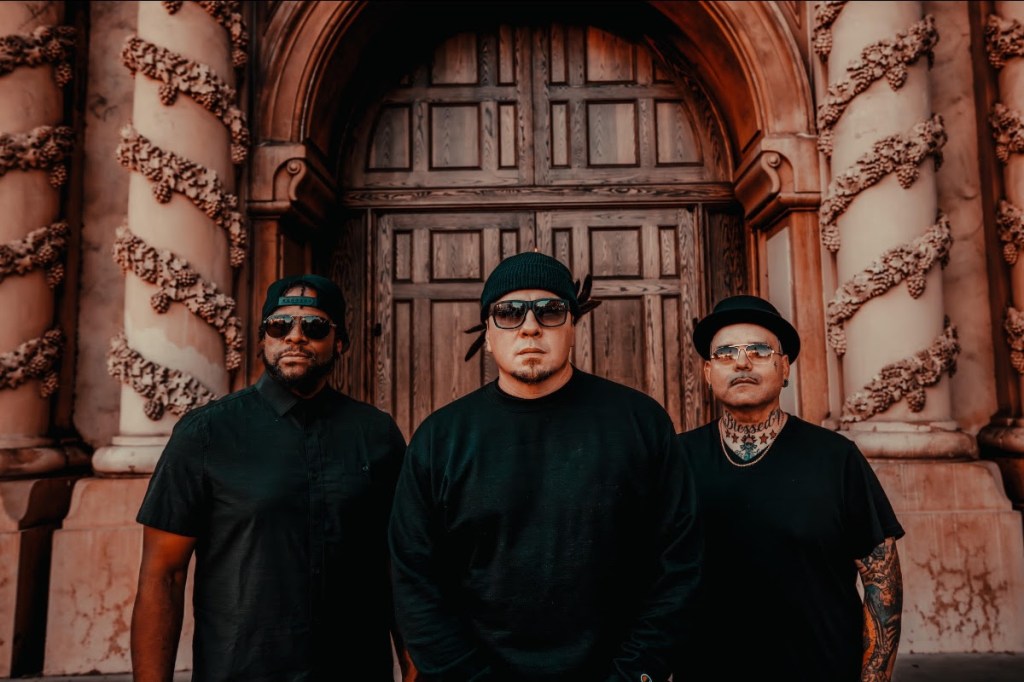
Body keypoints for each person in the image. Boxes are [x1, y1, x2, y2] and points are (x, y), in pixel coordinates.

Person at [388, 251, 702, 682]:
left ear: (573, 324)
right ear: (488, 329)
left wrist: (636, 674)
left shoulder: (640, 424)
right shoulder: (440, 439)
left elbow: (678, 563)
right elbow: (415, 581)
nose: (530, 326)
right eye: (509, 312)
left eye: (551, 310)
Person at [131, 274, 407, 681]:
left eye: (314, 327)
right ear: (263, 338)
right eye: (279, 326)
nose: (295, 337)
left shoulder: (377, 434)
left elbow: (399, 567)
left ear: (340, 342)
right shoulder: (205, 434)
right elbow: (163, 575)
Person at [675, 294, 904, 682]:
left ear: (784, 369)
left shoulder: (836, 459)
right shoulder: (676, 460)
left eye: (759, 351)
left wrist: (874, 678)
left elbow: (883, 585)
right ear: (708, 373)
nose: (742, 362)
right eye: (726, 353)